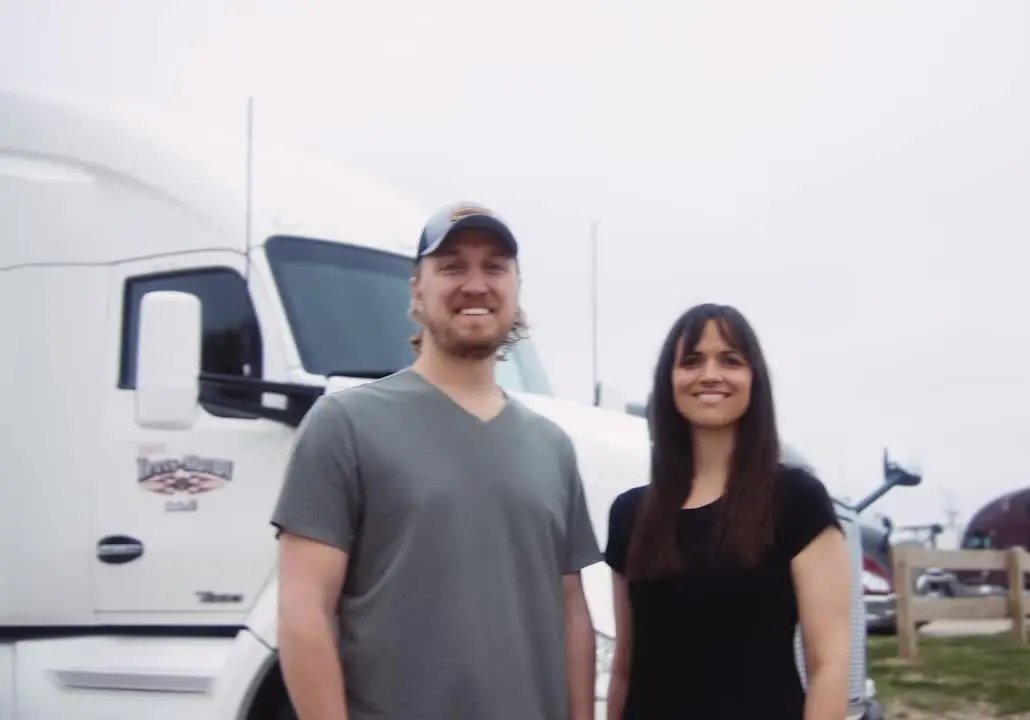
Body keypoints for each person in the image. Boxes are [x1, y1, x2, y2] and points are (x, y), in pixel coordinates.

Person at [270, 201, 601, 720]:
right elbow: (303, 609)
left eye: (494, 267)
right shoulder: (345, 424)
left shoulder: (552, 447)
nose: (475, 284)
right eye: (451, 267)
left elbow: (571, 615)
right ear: (416, 291)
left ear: (515, 288)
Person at [603, 303, 853, 720]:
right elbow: (625, 670)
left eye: (730, 360)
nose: (710, 375)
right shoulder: (631, 515)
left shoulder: (796, 500)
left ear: (754, 379)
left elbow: (829, 664)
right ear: (670, 381)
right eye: (692, 361)